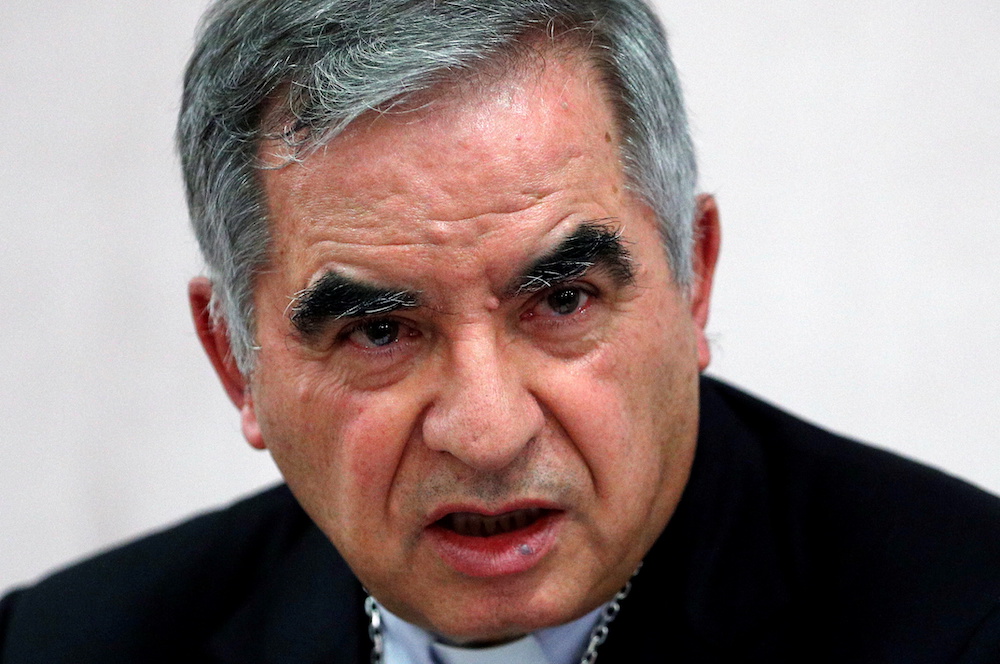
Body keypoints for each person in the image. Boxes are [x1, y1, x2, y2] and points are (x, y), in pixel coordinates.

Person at [2, 0, 999, 661]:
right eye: (378, 331)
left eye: (560, 302)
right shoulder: (63, 644)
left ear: (693, 284)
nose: (485, 432)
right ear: (237, 362)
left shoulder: (964, 619)